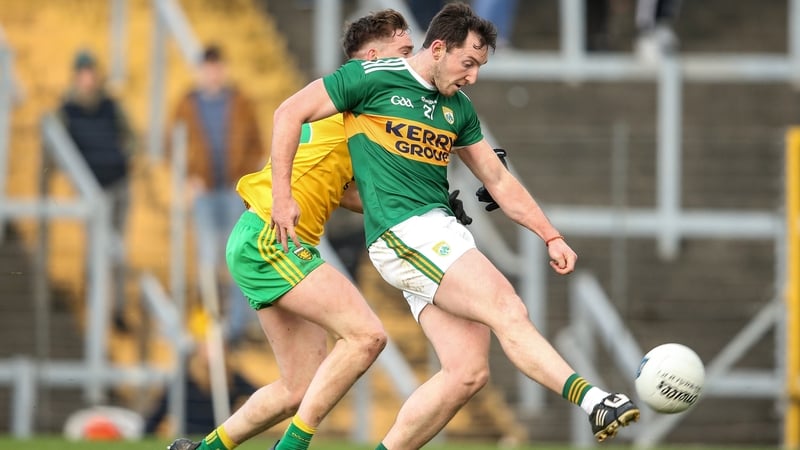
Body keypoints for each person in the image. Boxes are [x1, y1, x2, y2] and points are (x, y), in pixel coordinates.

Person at [268, 3, 640, 448]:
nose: (473, 77)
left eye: (480, 67)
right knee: (508, 307)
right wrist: (281, 196)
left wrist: (550, 234)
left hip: (436, 233)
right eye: (468, 63)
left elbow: (498, 179)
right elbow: (288, 113)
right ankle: (595, 401)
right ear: (439, 48)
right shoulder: (371, 78)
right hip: (405, 233)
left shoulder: (457, 108)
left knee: (467, 374)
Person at [167, 9, 416, 450]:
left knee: (298, 388)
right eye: (404, 51)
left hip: (266, 237)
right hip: (269, 233)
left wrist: (415, 205)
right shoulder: (355, 91)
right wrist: (282, 196)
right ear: (372, 58)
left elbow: (342, 191)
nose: (410, 61)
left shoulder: (360, 109)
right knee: (367, 335)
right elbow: (286, 114)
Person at [169, 44, 266, 346]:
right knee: (208, 258)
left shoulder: (240, 102)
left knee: (239, 257)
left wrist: (245, 178)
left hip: (233, 191)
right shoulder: (186, 105)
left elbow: (256, 144)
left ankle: (237, 325)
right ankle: (208, 322)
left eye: (216, 68)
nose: (212, 74)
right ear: (200, 71)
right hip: (204, 192)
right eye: (207, 68)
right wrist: (187, 178)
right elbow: (170, 144)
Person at [56, 49, 136, 332]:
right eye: (84, 73)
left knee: (117, 250)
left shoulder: (111, 106)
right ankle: (95, 310)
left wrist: (125, 159)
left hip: (117, 185)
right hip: (92, 191)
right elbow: (60, 148)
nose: (88, 79)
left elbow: (132, 137)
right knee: (95, 251)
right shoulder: (66, 110)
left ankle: (117, 309)